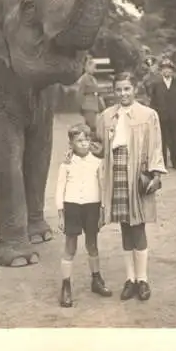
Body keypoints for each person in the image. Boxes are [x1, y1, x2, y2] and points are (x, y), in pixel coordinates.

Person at [96, 72, 167, 301]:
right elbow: (99, 147)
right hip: (116, 169)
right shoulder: (107, 116)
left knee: (139, 225)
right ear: (113, 91)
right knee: (125, 225)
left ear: (134, 89)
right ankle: (130, 279)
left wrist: (155, 173)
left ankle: (143, 279)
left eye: (127, 89)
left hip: (138, 171)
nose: (123, 94)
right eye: (119, 90)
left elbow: (156, 146)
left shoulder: (148, 115)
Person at [56, 123, 112, 308]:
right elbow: (60, 188)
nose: (84, 143)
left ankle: (96, 280)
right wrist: (61, 213)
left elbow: (103, 186)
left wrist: (103, 208)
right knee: (70, 246)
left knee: (92, 244)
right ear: (71, 143)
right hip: (72, 206)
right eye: (79, 140)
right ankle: (66, 286)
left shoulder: (97, 162)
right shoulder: (66, 163)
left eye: (87, 139)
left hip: (92, 206)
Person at [148, 58, 176, 169]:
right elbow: (153, 100)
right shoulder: (156, 84)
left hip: (174, 115)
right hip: (161, 115)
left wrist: (174, 108)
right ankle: (162, 162)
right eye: (164, 69)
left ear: (172, 71)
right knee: (162, 139)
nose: (167, 71)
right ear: (161, 71)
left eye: (169, 69)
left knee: (174, 138)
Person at [77, 55, 106, 134]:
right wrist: (80, 106)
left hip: (94, 106)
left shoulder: (93, 79)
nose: (94, 70)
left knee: (91, 127)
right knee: (92, 127)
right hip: (87, 105)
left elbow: (97, 91)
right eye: (93, 67)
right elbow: (80, 93)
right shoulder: (84, 79)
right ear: (87, 67)